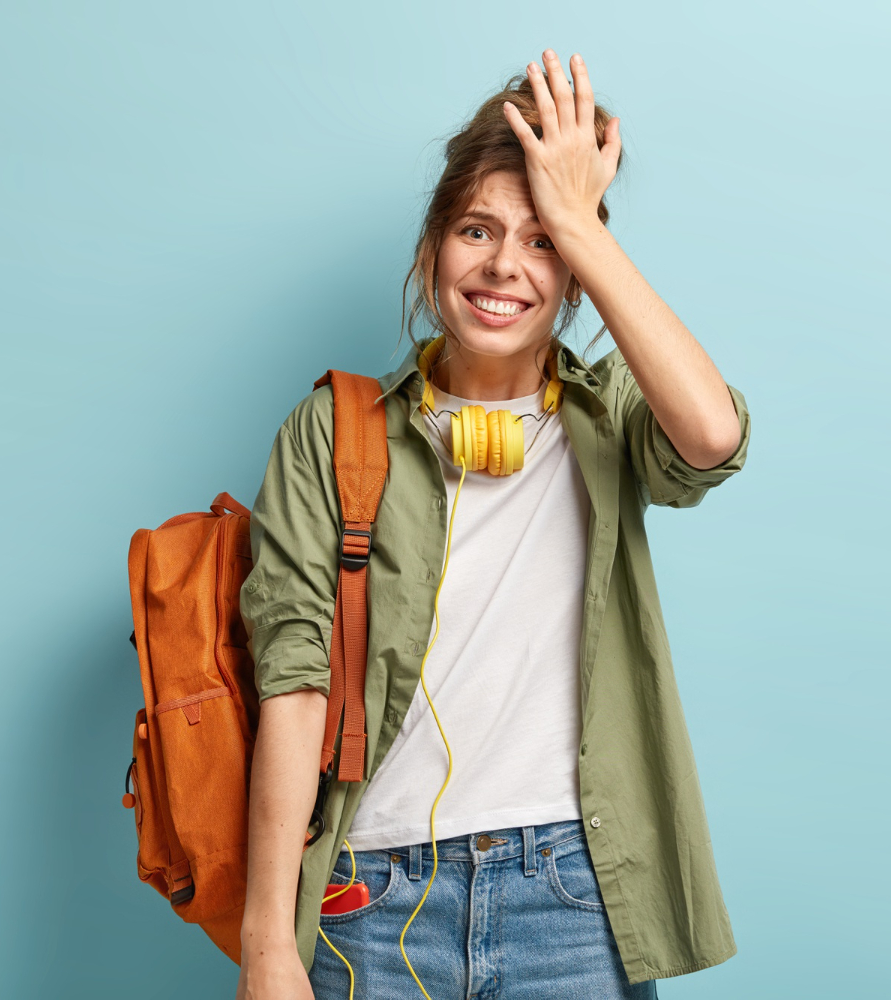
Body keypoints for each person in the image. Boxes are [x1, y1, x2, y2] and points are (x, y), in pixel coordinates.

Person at [236, 50, 750, 1000]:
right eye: (477, 229)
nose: (505, 265)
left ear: (577, 274)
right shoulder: (333, 432)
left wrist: (581, 222)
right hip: (369, 899)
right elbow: (294, 684)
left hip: (571, 897)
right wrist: (269, 942)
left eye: (543, 241)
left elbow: (713, 436)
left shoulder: (613, 419)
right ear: (433, 249)